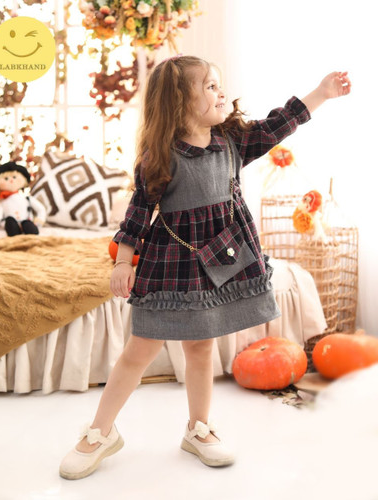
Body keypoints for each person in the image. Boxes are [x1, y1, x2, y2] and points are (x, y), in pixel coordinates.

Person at [59, 56, 351, 479]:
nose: (220, 92)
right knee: (139, 350)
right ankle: (100, 433)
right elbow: (137, 217)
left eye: (219, 84)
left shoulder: (232, 141)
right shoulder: (159, 158)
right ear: (180, 102)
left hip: (219, 260)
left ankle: (198, 428)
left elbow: (278, 124)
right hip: (170, 266)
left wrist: (321, 93)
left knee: (200, 347)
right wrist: (123, 261)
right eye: (210, 86)